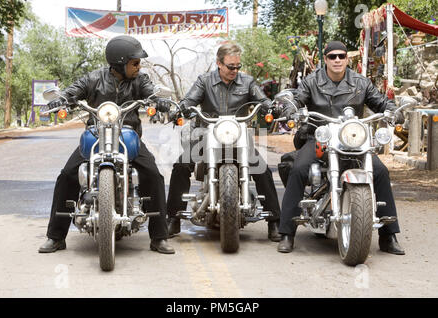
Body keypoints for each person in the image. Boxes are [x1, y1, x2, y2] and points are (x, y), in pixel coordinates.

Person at [38, 35, 174, 254]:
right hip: (97, 135)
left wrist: (159, 101)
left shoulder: (140, 80)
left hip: (128, 137)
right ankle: (55, 237)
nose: (139, 67)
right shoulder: (94, 78)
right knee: (67, 176)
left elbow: (150, 91)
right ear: (120, 63)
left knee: (153, 175)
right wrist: (63, 98)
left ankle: (159, 237)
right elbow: (75, 90)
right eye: (135, 62)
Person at [277, 41, 405, 255]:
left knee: (381, 171)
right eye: (332, 56)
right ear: (325, 59)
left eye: (341, 56)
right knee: (299, 169)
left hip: (351, 139)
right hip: (320, 137)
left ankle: (388, 236)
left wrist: (393, 110)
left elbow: (381, 102)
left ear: (347, 59)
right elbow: (298, 99)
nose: (337, 60)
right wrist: (291, 108)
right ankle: (287, 233)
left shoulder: (360, 82)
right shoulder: (312, 81)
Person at [166, 43, 282, 242]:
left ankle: (275, 221)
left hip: (238, 136)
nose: (235, 71)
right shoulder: (204, 81)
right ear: (219, 63)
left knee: (262, 170)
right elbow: (190, 99)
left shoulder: (247, 82)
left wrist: (272, 108)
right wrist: (182, 108)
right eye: (230, 67)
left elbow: (262, 100)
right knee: (181, 165)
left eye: (238, 66)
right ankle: (173, 218)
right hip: (207, 134)